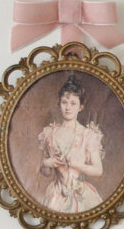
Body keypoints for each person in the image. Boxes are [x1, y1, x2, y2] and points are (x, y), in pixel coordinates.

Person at [37, 74, 104, 213]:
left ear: (80, 107)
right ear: (59, 104)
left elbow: (98, 170)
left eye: (73, 103)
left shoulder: (88, 135)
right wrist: (47, 163)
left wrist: (78, 164)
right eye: (64, 102)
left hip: (81, 194)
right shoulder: (50, 134)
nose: (68, 107)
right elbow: (45, 172)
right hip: (56, 194)